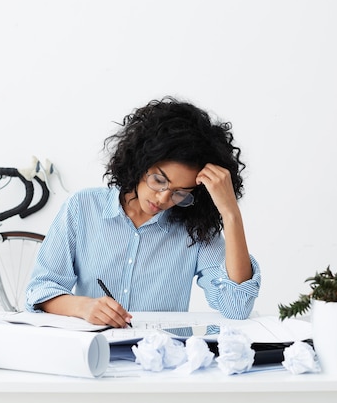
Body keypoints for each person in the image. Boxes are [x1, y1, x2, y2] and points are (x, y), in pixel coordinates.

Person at [25, 96, 261, 327]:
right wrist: (83, 307)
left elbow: (236, 306)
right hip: (94, 349)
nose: (163, 198)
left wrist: (230, 214)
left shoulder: (193, 227)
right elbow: (41, 289)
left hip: (162, 355)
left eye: (180, 193)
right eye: (159, 180)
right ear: (140, 162)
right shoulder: (83, 208)